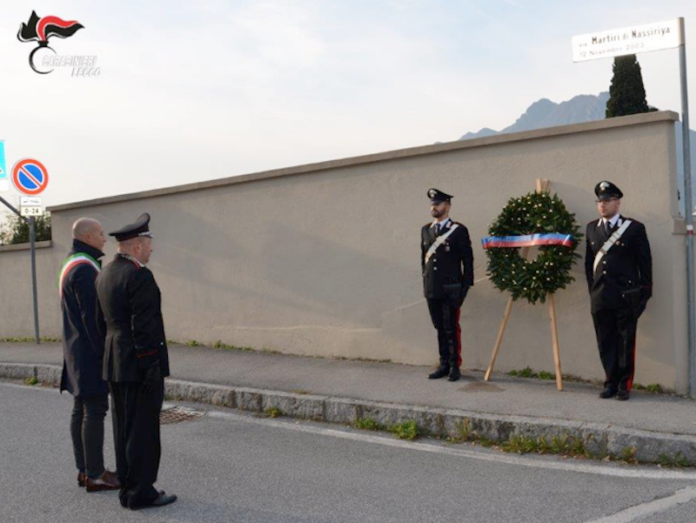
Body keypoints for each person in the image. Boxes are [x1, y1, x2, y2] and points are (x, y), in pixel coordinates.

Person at [95, 213, 176, 510]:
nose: (152, 249)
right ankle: (142, 492)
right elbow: (144, 326)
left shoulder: (104, 273)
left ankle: (128, 488)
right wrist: (150, 365)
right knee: (143, 430)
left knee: (123, 428)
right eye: (149, 243)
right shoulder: (138, 275)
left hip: (115, 362)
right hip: (139, 366)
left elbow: (99, 323)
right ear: (137, 245)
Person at [59, 218, 120, 492]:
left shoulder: (72, 262)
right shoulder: (84, 269)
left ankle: (84, 470)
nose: (104, 238)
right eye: (100, 233)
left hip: (75, 351)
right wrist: (105, 355)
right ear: (86, 236)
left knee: (80, 409)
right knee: (94, 410)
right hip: (89, 353)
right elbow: (92, 319)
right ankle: (96, 473)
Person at [585, 181, 652, 401]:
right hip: (601, 296)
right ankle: (610, 382)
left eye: (607, 200)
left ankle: (624, 385)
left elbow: (645, 263)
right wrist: (592, 291)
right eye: (599, 201)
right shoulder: (591, 228)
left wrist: (644, 293)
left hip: (626, 295)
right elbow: (589, 265)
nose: (602, 205)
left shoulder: (634, 228)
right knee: (605, 341)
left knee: (625, 341)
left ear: (617, 202)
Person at [421, 188, 474, 382]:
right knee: (439, 328)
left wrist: (465, 287)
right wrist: (425, 284)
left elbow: (467, 260)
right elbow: (424, 260)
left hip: (451, 289)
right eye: (432, 204)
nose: (433, 207)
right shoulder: (426, 230)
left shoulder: (458, 230)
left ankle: (454, 366)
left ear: (447, 206)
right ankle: (443, 364)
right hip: (432, 288)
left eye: (438, 203)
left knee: (451, 327)